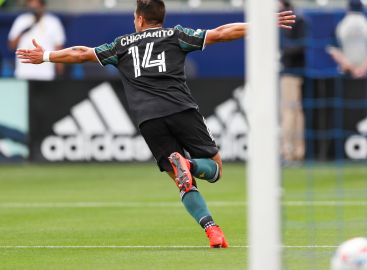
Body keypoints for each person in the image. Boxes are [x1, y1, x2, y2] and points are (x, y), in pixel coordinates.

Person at [16, 0, 296, 248]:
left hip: (148, 120)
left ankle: (212, 229)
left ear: (139, 19)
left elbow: (81, 53)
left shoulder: (121, 45)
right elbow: (221, 34)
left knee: (182, 184)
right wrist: (260, 23)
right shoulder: (176, 35)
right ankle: (191, 165)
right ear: (160, 18)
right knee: (216, 170)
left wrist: (47, 56)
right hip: (182, 110)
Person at [8, 0, 65, 80]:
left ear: (43, 6)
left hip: (46, 74)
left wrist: (60, 71)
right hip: (23, 73)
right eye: (31, 7)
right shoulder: (21, 20)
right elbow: (12, 45)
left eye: (36, 7)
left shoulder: (53, 22)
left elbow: (58, 48)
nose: (34, 9)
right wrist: (24, 31)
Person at [326, 0, 367, 79]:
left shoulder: (340, 26)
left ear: (348, 8)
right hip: (366, 74)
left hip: (346, 73)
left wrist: (352, 68)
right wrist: (363, 69)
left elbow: (334, 51)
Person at [279, 0, 306, 163]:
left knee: (289, 111)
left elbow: (299, 46)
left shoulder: (289, 19)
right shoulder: (300, 18)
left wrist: (281, 54)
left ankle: (287, 151)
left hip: (290, 71)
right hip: (297, 70)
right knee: (296, 111)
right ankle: (297, 151)